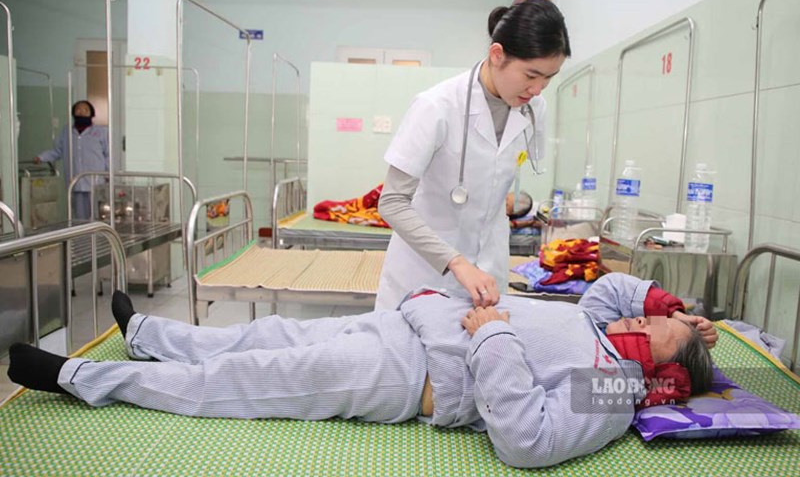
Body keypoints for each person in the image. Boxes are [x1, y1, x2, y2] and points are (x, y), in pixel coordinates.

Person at [8, 273, 717, 469]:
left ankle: (78, 379)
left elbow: (526, 440)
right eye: (663, 314)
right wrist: (676, 306)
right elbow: (618, 290)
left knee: (244, 382)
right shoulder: (605, 323)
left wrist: (495, 333)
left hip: (405, 377)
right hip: (405, 324)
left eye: (665, 328)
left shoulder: (615, 389)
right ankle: (143, 333)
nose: (647, 318)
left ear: (669, 378)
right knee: (262, 334)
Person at [376, 0, 571, 311]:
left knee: (480, 354)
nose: (538, 89)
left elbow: (499, 180)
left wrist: (519, 204)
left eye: (549, 78)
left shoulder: (534, 108)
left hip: (487, 272)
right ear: (497, 55)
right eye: (531, 75)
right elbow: (391, 203)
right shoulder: (436, 106)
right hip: (423, 273)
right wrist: (455, 261)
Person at [34, 100, 109, 220]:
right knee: (79, 217)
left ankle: (96, 238)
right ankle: (82, 239)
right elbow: (58, 151)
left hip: (96, 181)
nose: (82, 112)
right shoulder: (66, 131)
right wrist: (41, 157)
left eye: (85, 110)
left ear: (91, 113)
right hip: (75, 181)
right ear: (73, 112)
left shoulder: (101, 132)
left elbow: (108, 154)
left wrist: (107, 173)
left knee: (97, 215)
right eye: (78, 109)